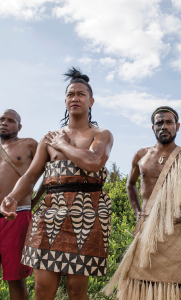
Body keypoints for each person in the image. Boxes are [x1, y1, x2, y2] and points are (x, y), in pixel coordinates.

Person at [1, 67, 114, 300]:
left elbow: (93, 162)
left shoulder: (101, 134)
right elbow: (31, 176)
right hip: (50, 214)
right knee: (42, 289)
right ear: (65, 100)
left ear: (91, 101)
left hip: (87, 213)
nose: (75, 98)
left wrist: (63, 145)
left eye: (81, 94)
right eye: (71, 94)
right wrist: (12, 197)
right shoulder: (49, 138)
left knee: (76, 289)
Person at [104, 106, 181, 300]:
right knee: (140, 281)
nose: (164, 126)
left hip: (176, 229)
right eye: (159, 123)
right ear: (152, 128)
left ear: (177, 126)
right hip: (146, 232)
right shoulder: (141, 155)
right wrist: (137, 210)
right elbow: (130, 185)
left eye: (169, 122)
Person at [0, 109, 43, 300]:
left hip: (17, 216)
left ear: (19, 126)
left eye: (10, 120)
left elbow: (49, 173)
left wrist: (34, 200)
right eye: (1, 119)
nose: (4, 123)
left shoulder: (29, 144)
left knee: (15, 278)